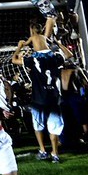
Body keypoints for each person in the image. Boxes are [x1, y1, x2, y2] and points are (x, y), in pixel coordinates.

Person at [11, 21, 73, 163]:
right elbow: (69, 55)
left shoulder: (32, 59)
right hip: (54, 97)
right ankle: (55, 154)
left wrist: (20, 47)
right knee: (54, 126)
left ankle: (42, 150)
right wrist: (57, 42)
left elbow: (14, 60)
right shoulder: (55, 56)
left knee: (38, 125)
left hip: (38, 98)